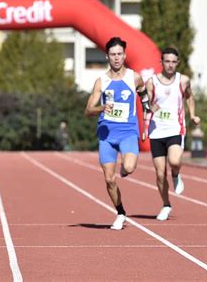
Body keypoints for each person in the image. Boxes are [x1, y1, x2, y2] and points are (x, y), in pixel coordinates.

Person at [84, 37, 147, 230]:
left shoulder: (133, 77)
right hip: (107, 135)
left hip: (128, 132)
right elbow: (88, 110)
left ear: (124, 56)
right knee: (109, 179)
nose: (117, 58)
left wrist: (146, 122)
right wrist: (102, 107)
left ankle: (125, 169)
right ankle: (120, 212)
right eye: (113, 54)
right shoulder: (101, 82)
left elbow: (144, 96)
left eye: (120, 54)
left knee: (129, 167)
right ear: (107, 56)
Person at [146, 47, 200, 221]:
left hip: (175, 128)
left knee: (174, 161)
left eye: (173, 62)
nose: (170, 65)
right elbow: (144, 103)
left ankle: (176, 174)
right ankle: (166, 204)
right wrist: (148, 107)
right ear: (161, 63)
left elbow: (190, 97)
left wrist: (192, 115)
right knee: (160, 174)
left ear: (177, 63)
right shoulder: (152, 81)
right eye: (167, 61)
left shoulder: (183, 80)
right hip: (156, 131)